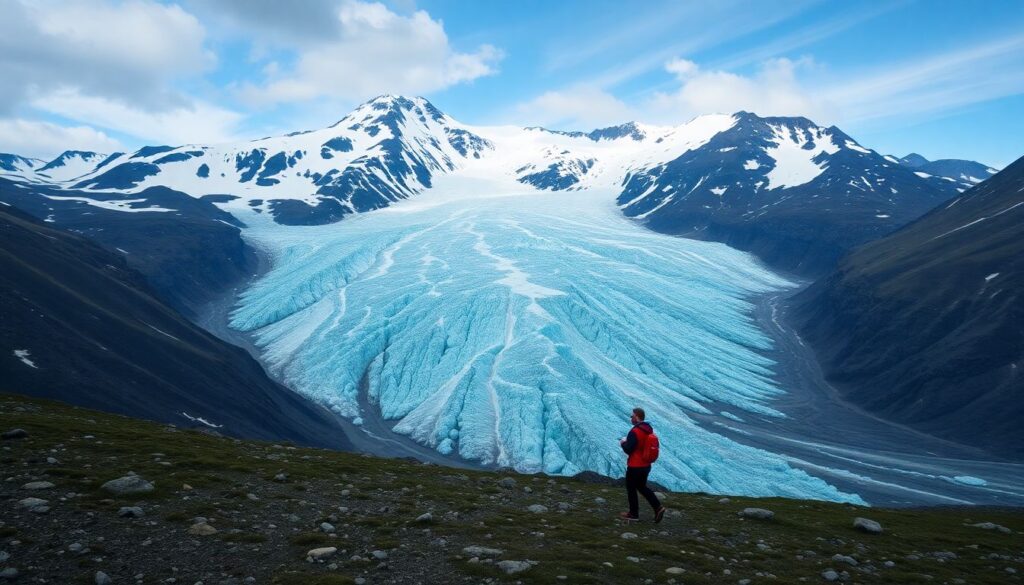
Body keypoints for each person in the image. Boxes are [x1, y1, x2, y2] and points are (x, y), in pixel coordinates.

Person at [619, 407, 666, 522]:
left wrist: (623, 443)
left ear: (637, 417)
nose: (631, 418)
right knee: (642, 487)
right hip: (646, 465)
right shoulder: (648, 429)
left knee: (631, 488)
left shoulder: (635, 432)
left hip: (635, 466)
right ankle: (658, 507)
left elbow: (629, 449)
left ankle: (634, 514)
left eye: (632, 416)